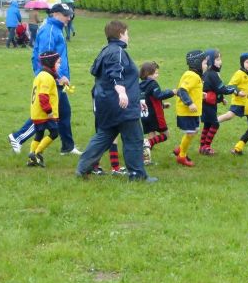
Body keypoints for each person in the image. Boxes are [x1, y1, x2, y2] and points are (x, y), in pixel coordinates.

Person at [76, 20, 157, 182]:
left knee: (104, 136)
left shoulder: (104, 51)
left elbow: (96, 71)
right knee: (134, 138)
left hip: (106, 104)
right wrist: (122, 93)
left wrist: (137, 98)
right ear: (120, 34)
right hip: (122, 106)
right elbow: (116, 73)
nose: (128, 37)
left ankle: (82, 168)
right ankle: (137, 175)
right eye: (127, 33)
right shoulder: (117, 52)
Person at [7, 3, 82, 156]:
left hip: (55, 78)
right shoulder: (49, 31)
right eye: (66, 14)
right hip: (51, 79)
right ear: (55, 14)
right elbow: (46, 58)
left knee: (64, 112)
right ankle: (17, 137)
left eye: (70, 15)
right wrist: (58, 77)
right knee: (45, 114)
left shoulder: (55, 28)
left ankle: (67, 146)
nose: (69, 17)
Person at [198, 49, 241, 156]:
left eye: (220, 59)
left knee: (207, 125)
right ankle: (207, 147)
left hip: (206, 103)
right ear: (210, 61)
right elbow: (222, 89)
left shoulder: (208, 73)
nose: (220, 61)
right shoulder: (212, 74)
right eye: (217, 59)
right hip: (208, 104)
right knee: (215, 124)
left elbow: (215, 89)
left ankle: (202, 147)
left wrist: (221, 99)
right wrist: (234, 90)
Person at [26, 51, 61, 168]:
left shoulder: (40, 75)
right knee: (54, 133)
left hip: (36, 112)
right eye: (58, 62)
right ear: (51, 62)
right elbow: (43, 96)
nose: (59, 65)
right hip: (44, 113)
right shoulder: (47, 77)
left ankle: (31, 160)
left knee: (39, 134)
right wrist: (49, 111)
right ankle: (37, 153)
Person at [174, 50, 207, 167]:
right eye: (204, 63)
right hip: (187, 111)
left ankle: (180, 149)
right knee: (190, 133)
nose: (206, 66)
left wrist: (200, 94)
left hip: (192, 112)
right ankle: (182, 156)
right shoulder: (192, 76)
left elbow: (191, 90)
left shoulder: (194, 75)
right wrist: (190, 103)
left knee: (194, 131)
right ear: (197, 63)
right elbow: (182, 91)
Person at [139, 61, 176, 165]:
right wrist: (172, 92)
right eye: (156, 73)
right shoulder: (152, 83)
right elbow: (158, 95)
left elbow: (149, 100)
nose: (157, 75)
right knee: (166, 135)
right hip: (156, 116)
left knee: (152, 134)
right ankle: (147, 143)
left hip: (145, 115)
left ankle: (146, 159)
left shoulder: (140, 85)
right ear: (148, 74)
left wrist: (163, 105)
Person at [217, 52, 248, 125]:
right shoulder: (239, 74)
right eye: (247, 62)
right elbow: (230, 85)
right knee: (229, 116)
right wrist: (238, 92)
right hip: (239, 102)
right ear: (242, 63)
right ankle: (214, 122)